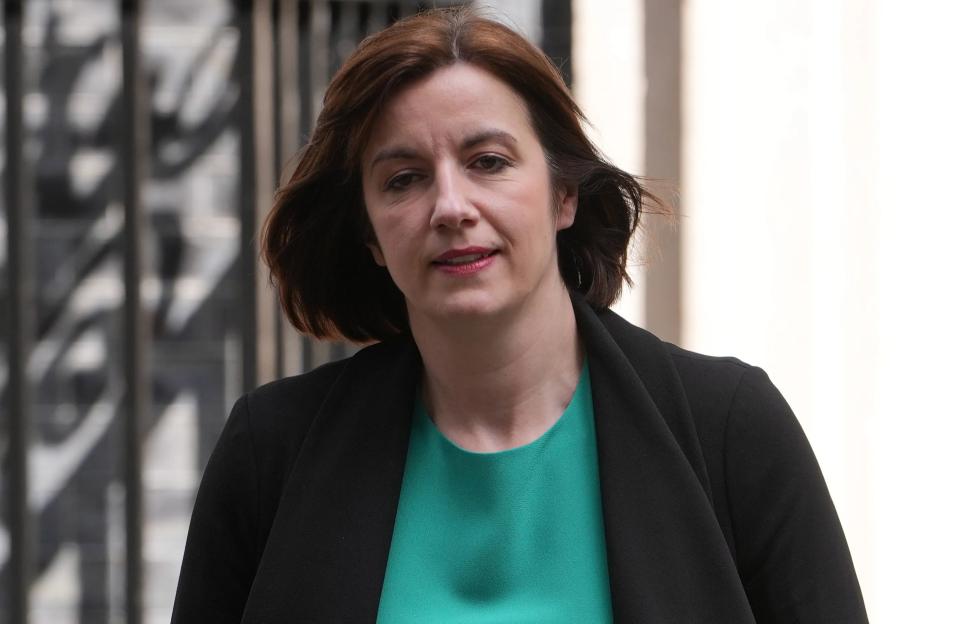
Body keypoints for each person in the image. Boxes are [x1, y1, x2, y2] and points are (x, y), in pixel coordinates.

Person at [172, 8, 868, 623]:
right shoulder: (271, 454)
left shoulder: (731, 431)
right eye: (404, 179)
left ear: (563, 195)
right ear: (370, 236)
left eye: (489, 161)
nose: (450, 206)